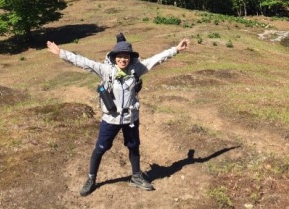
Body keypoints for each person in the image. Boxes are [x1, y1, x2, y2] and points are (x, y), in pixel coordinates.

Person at [46, 33, 190, 197]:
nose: (123, 59)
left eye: (126, 56)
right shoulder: (105, 70)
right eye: (120, 56)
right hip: (110, 119)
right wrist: (61, 53)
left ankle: (136, 176)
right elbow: (83, 62)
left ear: (130, 57)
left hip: (131, 119)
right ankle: (91, 179)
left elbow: (157, 59)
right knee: (100, 149)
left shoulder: (137, 69)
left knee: (134, 147)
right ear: (114, 57)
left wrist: (176, 49)